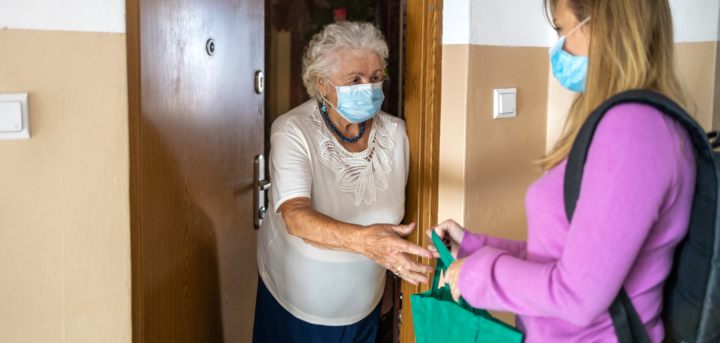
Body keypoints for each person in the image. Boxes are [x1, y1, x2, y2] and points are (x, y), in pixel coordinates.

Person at [427, 0, 695, 342]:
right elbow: (564, 254)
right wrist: (474, 247)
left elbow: (578, 295)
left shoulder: (634, 130)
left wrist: (477, 275)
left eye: (559, 28)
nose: (558, 46)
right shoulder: (622, 122)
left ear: (599, 24)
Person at [253, 21, 434, 343]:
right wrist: (367, 243)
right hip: (299, 298)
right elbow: (295, 217)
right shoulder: (293, 130)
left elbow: (397, 220)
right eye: (355, 79)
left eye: (375, 77)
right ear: (322, 84)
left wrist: (389, 285)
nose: (369, 87)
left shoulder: (396, 133)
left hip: (367, 298)